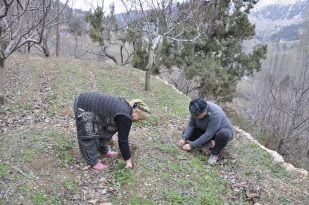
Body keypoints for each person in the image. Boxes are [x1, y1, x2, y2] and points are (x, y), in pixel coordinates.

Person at [73, 92, 150, 171]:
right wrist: (128, 161)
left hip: (93, 106)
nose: (138, 121)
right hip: (84, 105)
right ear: (136, 112)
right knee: (87, 133)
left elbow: (108, 131)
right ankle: (93, 162)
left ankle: (104, 151)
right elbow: (123, 140)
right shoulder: (125, 116)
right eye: (139, 118)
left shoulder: (127, 109)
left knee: (103, 130)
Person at [178, 98, 233, 165]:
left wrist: (191, 145)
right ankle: (209, 143)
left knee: (224, 134)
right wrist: (184, 138)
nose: (195, 117)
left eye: (197, 116)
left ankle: (214, 153)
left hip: (219, 132)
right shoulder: (196, 110)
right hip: (206, 130)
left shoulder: (215, 113)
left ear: (204, 111)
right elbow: (191, 125)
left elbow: (209, 133)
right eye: (194, 115)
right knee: (186, 133)